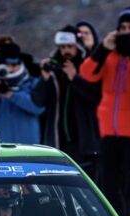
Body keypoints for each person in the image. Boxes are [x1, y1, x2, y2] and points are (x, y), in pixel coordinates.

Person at [80, 6, 130, 216]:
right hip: (109, 129)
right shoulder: (110, 53)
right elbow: (87, 74)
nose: (126, 31)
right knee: (109, 184)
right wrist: (103, 48)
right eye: (122, 27)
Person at [35, 25, 101, 176]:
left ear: (77, 46)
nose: (66, 51)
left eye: (70, 46)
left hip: (84, 143)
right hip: (59, 141)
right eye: (63, 47)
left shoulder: (88, 66)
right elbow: (38, 101)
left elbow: (96, 97)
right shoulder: (54, 69)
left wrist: (74, 79)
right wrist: (44, 79)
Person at [0, 42, 44, 144]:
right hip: (1, 150)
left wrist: (12, 95)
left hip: (29, 149)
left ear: (20, 64)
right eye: (6, 65)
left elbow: (39, 108)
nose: (10, 69)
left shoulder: (32, 83)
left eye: (14, 64)